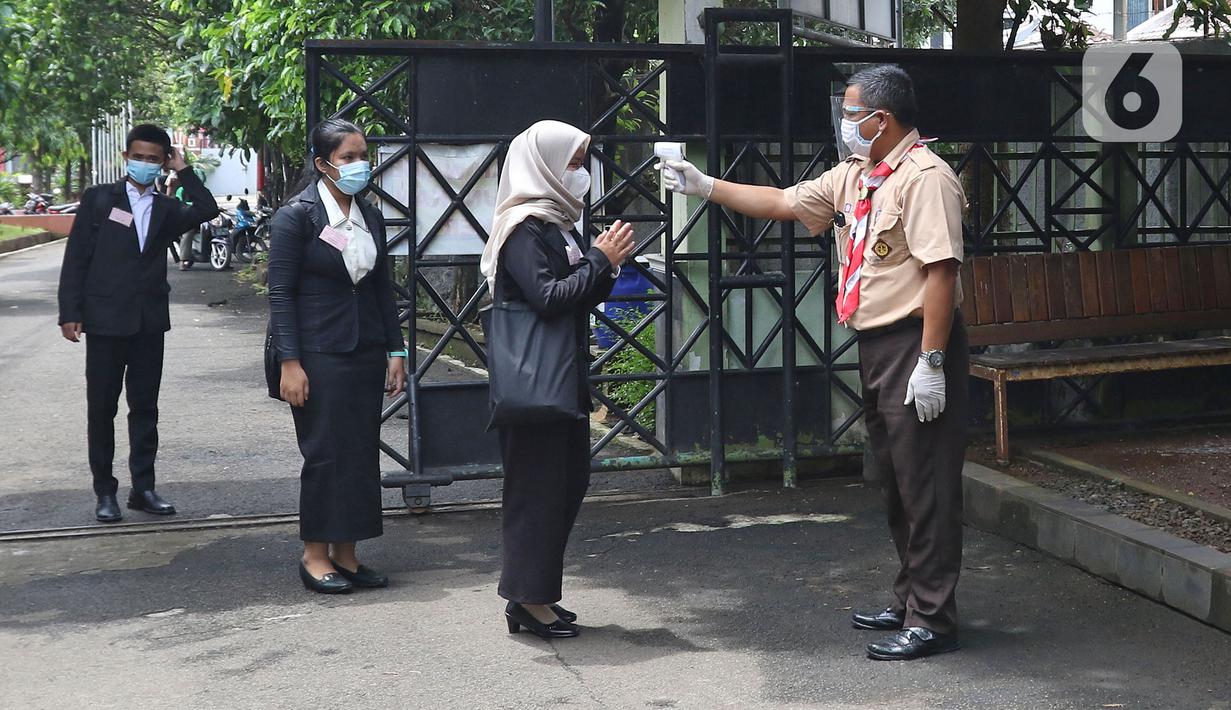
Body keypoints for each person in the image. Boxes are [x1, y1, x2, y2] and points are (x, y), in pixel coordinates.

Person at [657, 64, 969, 661]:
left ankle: (934, 619)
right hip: (876, 343)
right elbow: (782, 200)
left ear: (881, 119)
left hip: (916, 342)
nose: (843, 123)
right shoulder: (857, 174)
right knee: (898, 483)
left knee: (926, 484)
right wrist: (705, 185)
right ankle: (911, 598)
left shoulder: (926, 178)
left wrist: (931, 360)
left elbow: (941, 273)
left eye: (851, 114)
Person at [481, 120, 634, 639]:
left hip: (560, 378)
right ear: (543, 164)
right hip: (535, 383)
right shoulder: (523, 227)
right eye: (572, 162)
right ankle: (526, 601)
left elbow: (576, 291)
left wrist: (606, 265)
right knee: (537, 489)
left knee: (566, 482)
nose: (580, 173)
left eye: (581, 162)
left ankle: (537, 593)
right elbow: (548, 298)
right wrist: (598, 259)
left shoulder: (557, 223)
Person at [267, 118, 407, 595]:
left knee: (360, 451)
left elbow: (381, 287)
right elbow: (280, 294)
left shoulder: (369, 214)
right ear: (323, 163)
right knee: (326, 452)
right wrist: (290, 362)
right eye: (348, 157)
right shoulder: (297, 216)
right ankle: (315, 554)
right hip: (317, 352)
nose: (358, 165)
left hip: (364, 349)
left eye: (363, 156)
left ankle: (347, 553)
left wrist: (395, 349)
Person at [57, 124, 220, 523]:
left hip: (149, 323)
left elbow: (207, 209)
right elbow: (77, 256)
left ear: (163, 162)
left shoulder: (166, 208)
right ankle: (105, 492)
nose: (144, 164)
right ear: (126, 157)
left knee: (145, 408)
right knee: (102, 408)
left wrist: (183, 170)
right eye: (138, 157)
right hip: (105, 321)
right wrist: (70, 311)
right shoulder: (100, 199)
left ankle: (143, 489)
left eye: (153, 159)